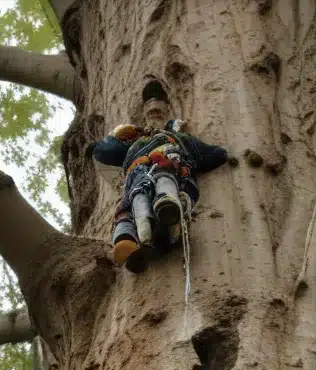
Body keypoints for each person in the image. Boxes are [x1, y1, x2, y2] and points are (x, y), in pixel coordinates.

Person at [90, 81, 228, 272]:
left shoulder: (175, 137)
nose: (154, 110)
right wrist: (118, 134)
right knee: (127, 206)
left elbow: (212, 155)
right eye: (149, 108)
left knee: (164, 178)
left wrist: (209, 150)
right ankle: (127, 242)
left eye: (159, 108)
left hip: (167, 165)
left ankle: (169, 214)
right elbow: (102, 152)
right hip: (135, 176)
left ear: (167, 110)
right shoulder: (133, 142)